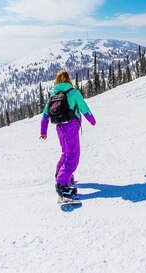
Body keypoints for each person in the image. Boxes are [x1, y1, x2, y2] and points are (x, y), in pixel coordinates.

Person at [40, 70, 96, 198]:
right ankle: (62, 184)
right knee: (73, 156)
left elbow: (45, 115)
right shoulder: (73, 92)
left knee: (66, 152)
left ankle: (61, 173)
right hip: (71, 127)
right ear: (68, 80)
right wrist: (92, 121)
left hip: (60, 128)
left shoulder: (54, 94)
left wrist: (43, 131)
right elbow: (84, 108)